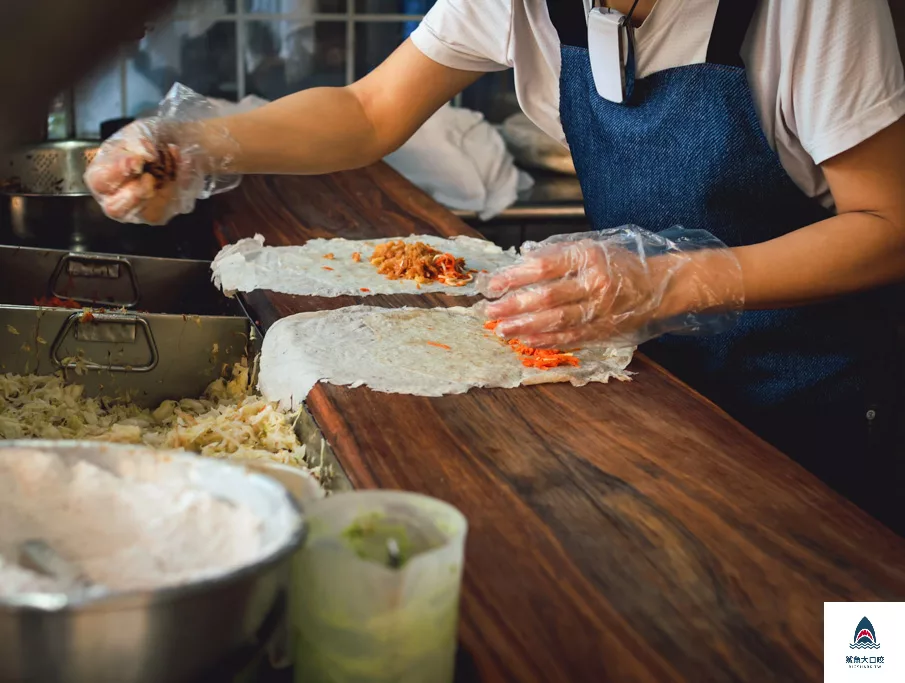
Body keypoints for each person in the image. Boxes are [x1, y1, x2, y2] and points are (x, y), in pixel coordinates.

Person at [85, 0, 905, 533]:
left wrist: (667, 280)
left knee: (832, 634)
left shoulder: (814, 10)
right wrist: (197, 145)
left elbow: (889, 225)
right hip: (652, 388)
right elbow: (370, 110)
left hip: (814, 403)